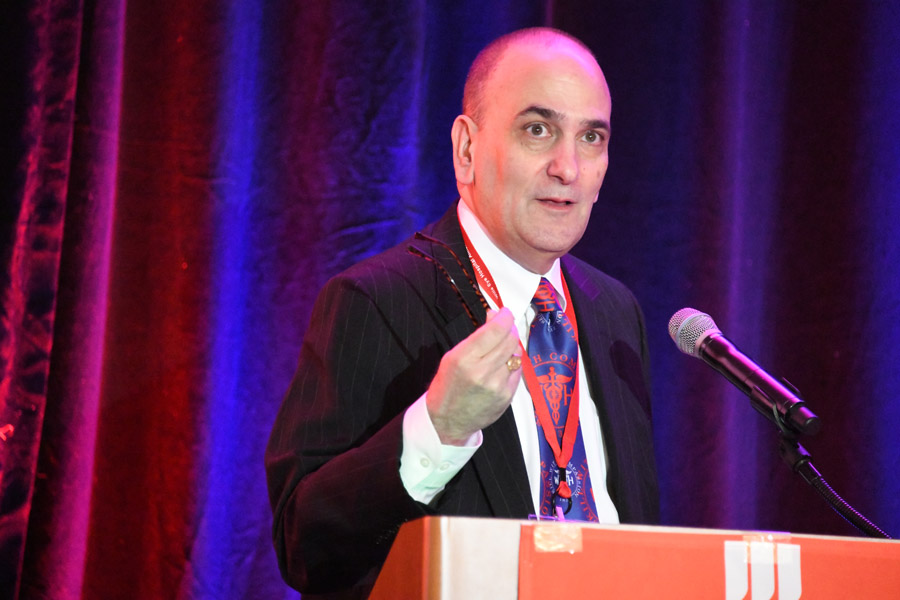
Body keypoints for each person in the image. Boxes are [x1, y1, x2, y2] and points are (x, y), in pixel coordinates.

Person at [265, 27, 658, 598]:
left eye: (591, 137)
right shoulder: (378, 301)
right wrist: (438, 429)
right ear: (467, 150)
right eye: (538, 130)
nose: (568, 168)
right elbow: (304, 545)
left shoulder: (615, 311)